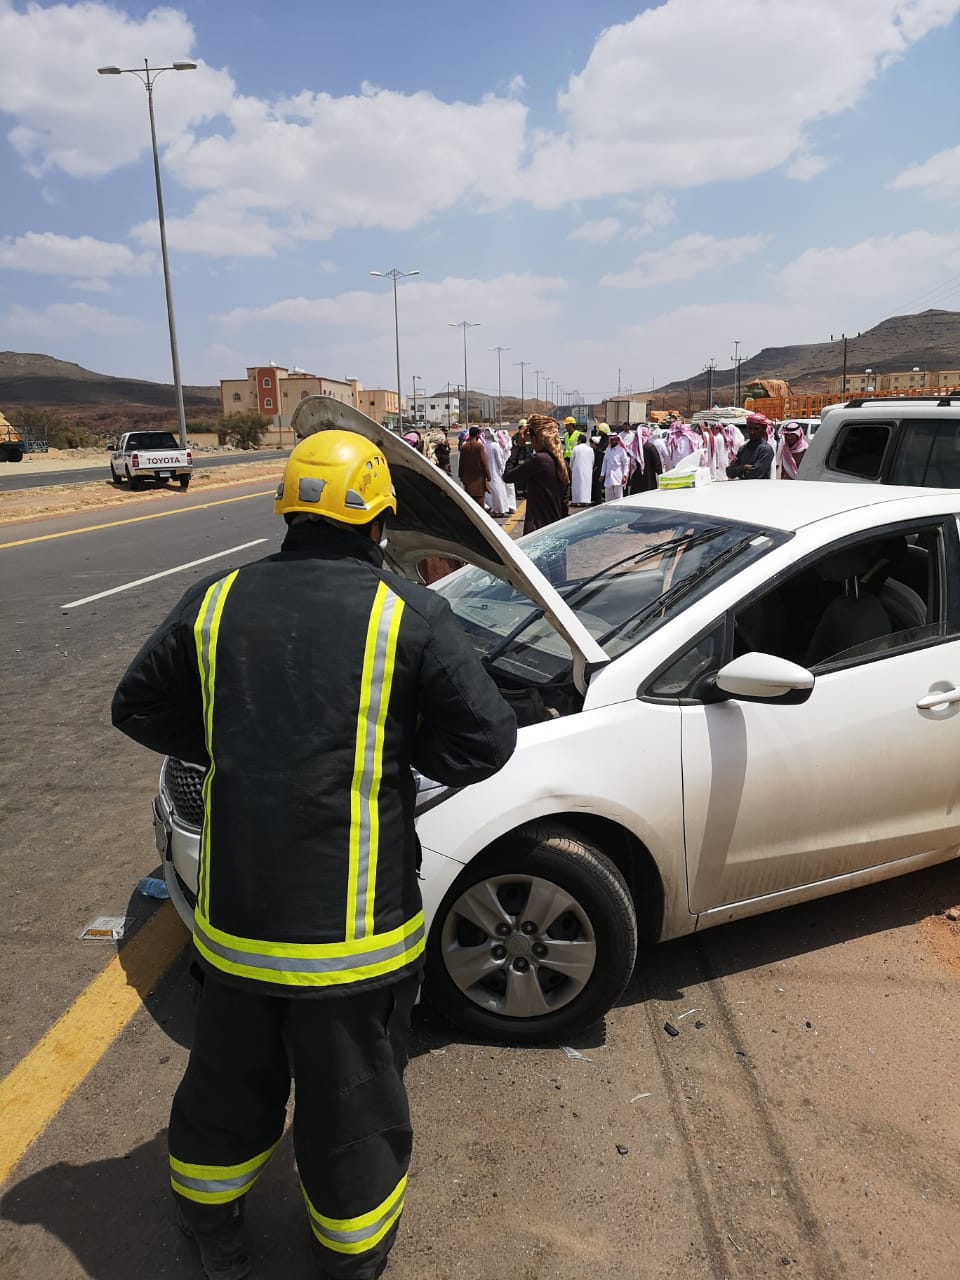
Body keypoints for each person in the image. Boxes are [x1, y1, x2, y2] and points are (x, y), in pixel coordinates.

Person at [111, 430, 517, 1280]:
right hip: (355, 940)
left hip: (237, 929)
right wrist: (393, 748)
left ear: (289, 511)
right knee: (352, 1109)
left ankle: (213, 1230)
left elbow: (137, 705)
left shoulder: (216, 600)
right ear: (377, 523)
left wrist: (231, 745)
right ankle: (351, 1254)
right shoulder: (409, 611)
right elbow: (487, 741)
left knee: (226, 1085)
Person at [503, 414, 568, 533]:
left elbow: (508, 476)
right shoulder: (561, 462)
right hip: (556, 528)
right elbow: (564, 502)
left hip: (537, 529)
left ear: (537, 437)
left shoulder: (539, 460)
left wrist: (518, 445)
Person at [727, 413, 776, 480]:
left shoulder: (766, 449)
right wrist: (744, 467)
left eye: (756, 429)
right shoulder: (743, 448)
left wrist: (738, 469)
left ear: (763, 429)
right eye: (750, 428)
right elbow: (730, 473)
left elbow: (755, 474)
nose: (752, 432)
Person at [457, 425, 490, 508]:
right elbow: (484, 463)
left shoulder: (464, 446)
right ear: (478, 434)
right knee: (479, 500)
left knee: (470, 501)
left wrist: (461, 475)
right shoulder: (479, 446)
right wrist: (488, 476)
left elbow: (461, 462)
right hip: (478, 478)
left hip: (467, 478)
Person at [625, 425, 664, 494]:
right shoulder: (650, 447)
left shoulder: (632, 448)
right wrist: (660, 474)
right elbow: (657, 463)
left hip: (636, 480)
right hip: (648, 479)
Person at [482, 427, 509, 518]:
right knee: (498, 490)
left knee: (489, 492)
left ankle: (492, 510)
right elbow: (499, 460)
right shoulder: (495, 445)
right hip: (496, 472)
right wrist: (502, 469)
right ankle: (500, 510)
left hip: (487, 472)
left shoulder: (484, 445)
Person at [599, 432, 630, 502]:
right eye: (612, 440)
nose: (613, 441)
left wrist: (625, 475)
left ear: (618, 440)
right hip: (608, 476)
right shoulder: (607, 450)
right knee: (608, 498)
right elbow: (605, 463)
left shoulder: (621, 451)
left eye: (615, 440)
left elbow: (626, 464)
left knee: (618, 498)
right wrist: (602, 474)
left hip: (618, 477)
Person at [569, 433, 595, 505]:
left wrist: (571, 468)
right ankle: (585, 501)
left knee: (577, 485)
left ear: (580, 440)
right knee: (586, 485)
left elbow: (572, 460)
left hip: (577, 470)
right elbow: (593, 460)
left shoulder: (576, 448)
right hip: (588, 470)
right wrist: (590, 468)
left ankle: (576, 501)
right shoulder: (590, 449)